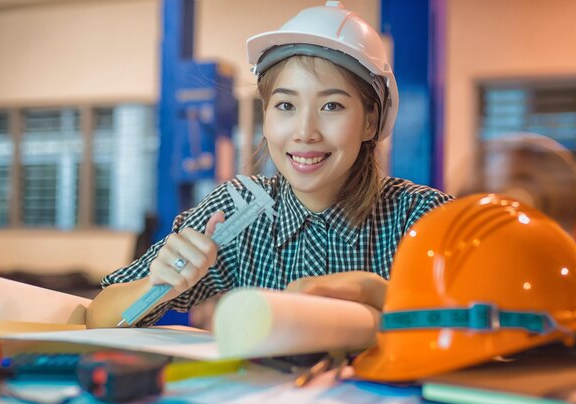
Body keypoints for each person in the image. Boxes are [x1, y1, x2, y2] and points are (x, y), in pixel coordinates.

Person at [85, 1, 452, 329]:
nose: (305, 132)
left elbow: (497, 325)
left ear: (370, 122)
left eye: (332, 106)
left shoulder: (423, 219)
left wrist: (381, 295)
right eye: (286, 106)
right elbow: (97, 315)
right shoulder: (236, 213)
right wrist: (156, 284)